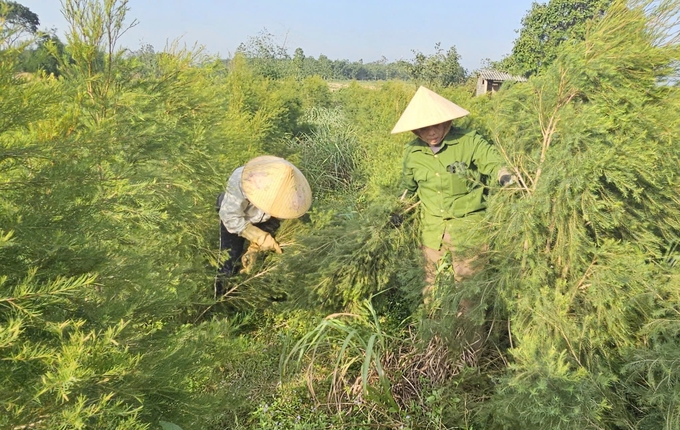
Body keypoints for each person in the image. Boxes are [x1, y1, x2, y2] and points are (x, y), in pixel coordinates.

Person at [392, 86, 513, 315]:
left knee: (468, 295)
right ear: (416, 130)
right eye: (424, 128)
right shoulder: (412, 153)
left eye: (436, 125)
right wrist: (398, 210)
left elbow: (493, 162)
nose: (432, 132)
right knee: (432, 291)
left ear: (447, 122)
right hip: (432, 231)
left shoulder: (469, 141)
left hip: (468, 231)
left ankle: (468, 348)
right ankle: (437, 344)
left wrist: (506, 176)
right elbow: (408, 190)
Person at [214, 155, 312, 298]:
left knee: (259, 256)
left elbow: (281, 217)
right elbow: (230, 217)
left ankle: (250, 286)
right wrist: (260, 237)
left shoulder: (290, 192)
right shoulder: (241, 179)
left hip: (266, 219)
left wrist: (255, 247)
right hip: (236, 216)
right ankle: (221, 298)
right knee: (229, 260)